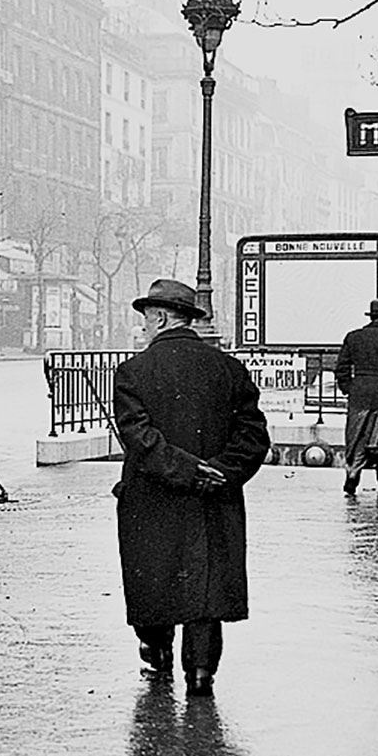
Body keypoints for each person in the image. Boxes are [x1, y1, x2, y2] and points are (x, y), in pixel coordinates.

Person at [112, 278, 269, 697]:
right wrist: (218, 471)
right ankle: (201, 674)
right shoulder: (230, 369)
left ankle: (155, 648)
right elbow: (254, 437)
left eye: (146, 319)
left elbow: (140, 440)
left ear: (160, 317)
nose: (144, 327)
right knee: (206, 587)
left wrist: (187, 469)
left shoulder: (133, 372)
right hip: (214, 498)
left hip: (153, 498)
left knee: (154, 577)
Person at [335, 298, 378, 494]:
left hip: (359, 395)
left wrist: (350, 388)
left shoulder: (354, 337)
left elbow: (341, 368)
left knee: (357, 436)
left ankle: (352, 475)